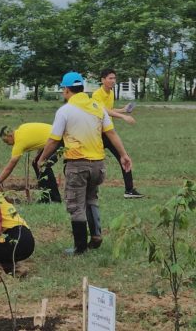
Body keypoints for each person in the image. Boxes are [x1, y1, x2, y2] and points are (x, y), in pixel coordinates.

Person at [38, 72, 132, 255]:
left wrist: (42, 159)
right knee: (91, 198)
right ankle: (96, 235)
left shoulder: (65, 111)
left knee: (75, 204)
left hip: (77, 164)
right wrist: (123, 155)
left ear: (66, 90)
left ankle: (79, 248)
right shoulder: (97, 106)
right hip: (98, 164)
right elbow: (111, 133)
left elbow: (53, 140)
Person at [92, 68, 144, 199]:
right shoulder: (97, 94)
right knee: (90, 161)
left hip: (108, 133)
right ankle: (89, 191)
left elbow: (109, 110)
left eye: (114, 78)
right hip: (96, 134)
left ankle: (129, 190)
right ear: (102, 80)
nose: (113, 81)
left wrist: (123, 110)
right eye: (110, 78)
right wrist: (124, 117)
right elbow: (104, 111)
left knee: (124, 156)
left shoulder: (110, 93)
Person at [0, 123, 62, 203]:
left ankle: (55, 199)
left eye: (6, 141)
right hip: (56, 136)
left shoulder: (19, 142)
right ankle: (44, 196)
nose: (7, 144)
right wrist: (39, 155)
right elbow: (40, 137)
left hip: (57, 140)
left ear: (10, 135)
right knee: (36, 163)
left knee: (44, 165)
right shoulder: (22, 128)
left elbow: (10, 166)